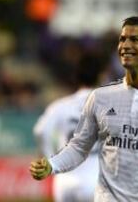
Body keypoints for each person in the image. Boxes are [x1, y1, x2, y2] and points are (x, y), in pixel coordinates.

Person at [30, 16, 138, 201]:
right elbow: (78, 148)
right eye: (122, 39)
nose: (125, 45)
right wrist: (51, 165)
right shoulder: (101, 97)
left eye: (135, 40)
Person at [33, 53, 107, 202]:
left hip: (65, 181)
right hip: (95, 180)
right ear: (101, 76)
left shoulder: (61, 106)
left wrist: (50, 161)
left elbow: (40, 131)